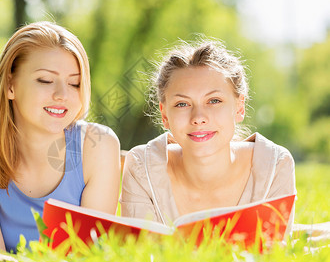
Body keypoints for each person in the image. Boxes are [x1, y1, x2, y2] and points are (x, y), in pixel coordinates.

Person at [0, 21, 121, 252]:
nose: (62, 95)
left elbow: (88, 255)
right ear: (10, 85)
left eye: (74, 83)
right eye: (45, 80)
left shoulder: (99, 145)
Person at [120, 39, 296, 234]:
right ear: (164, 116)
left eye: (214, 100)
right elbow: (139, 253)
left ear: (239, 107)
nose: (198, 118)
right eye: (182, 104)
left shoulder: (274, 165)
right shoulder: (140, 167)